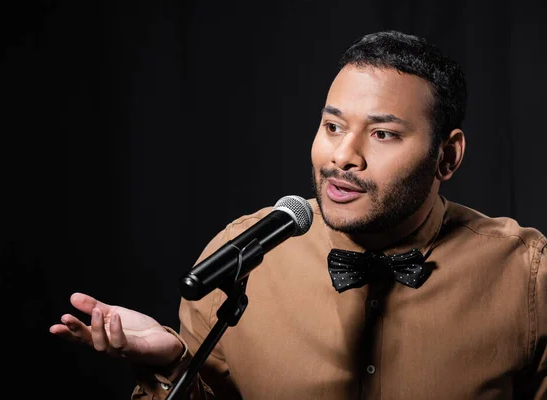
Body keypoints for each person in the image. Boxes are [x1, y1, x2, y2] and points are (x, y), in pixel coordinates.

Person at [50, 30, 546, 399]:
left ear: (448, 156)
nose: (342, 157)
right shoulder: (242, 255)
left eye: (383, 134)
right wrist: (172, 365)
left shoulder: (528, 276)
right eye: (332, 126)